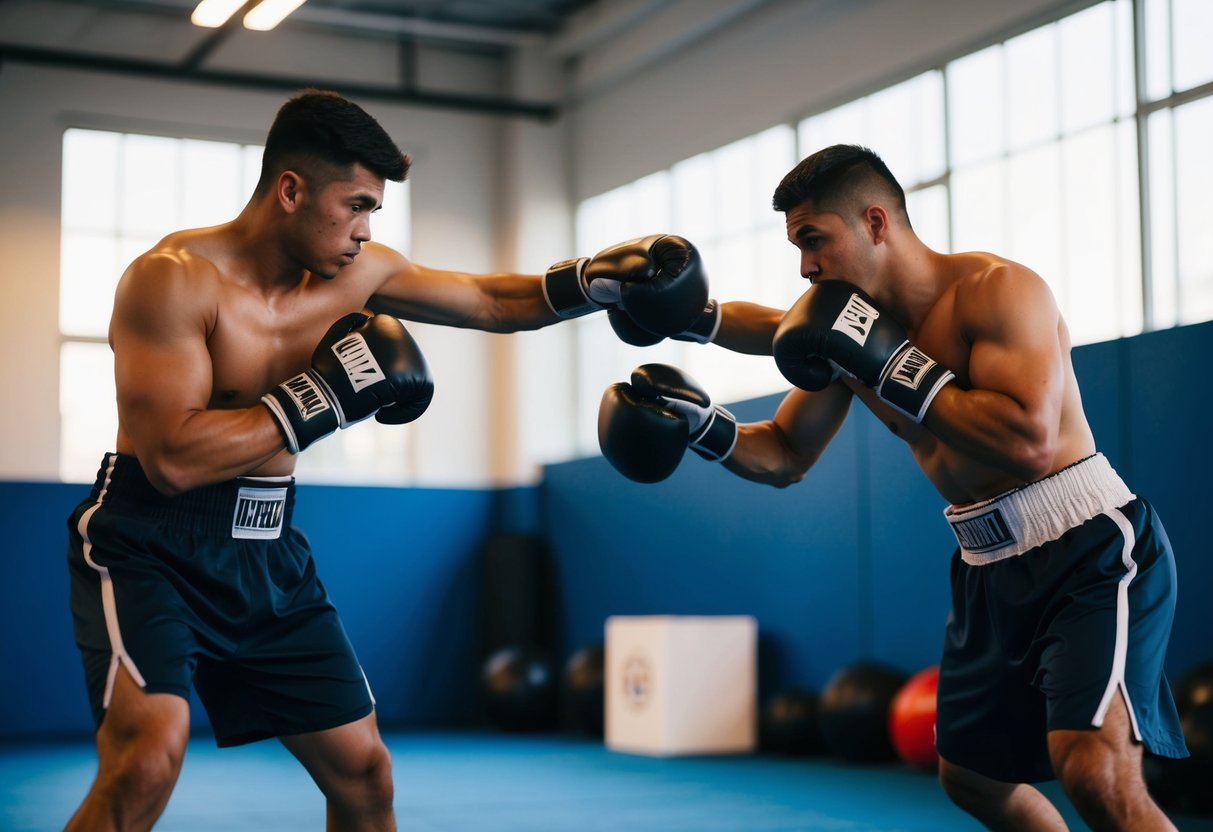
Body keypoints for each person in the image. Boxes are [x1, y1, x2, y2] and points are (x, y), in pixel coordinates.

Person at [65, 87, 724, 832]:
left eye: (374, 210)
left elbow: (487, 300)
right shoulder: (174, 279)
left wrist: (593, 282)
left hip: (267, 551)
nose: (364, 229)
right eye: (355, 205)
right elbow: (171, 461)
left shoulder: (360, 271)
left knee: (365, 774)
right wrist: (324, 395)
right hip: (152, 543)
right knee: (149, 758)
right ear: (290, 191)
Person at [597, 144, 1189, 831]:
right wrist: (702, 426)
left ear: (875, 223)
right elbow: (786, 454)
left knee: (1092, 770)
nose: (805, 267)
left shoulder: (996, 290)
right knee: (971, 779)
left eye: (813, 240)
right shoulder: (856, 337)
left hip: (1085, 547)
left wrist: (892, 365)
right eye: (796, 247)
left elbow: (1027, 441)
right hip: (987, 565)